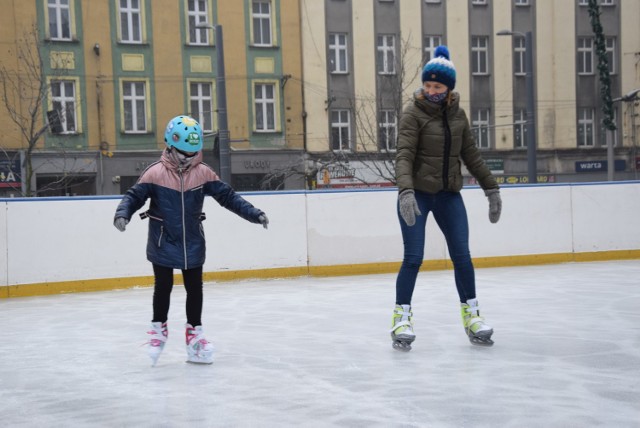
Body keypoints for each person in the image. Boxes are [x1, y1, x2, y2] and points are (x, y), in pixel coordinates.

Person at [114, 115, 269, 366]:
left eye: (193, 152)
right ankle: (158, 330)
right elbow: (134, 197)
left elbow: (228, 197)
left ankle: (194, 335)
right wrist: (123, 214)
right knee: (162, 285)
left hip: (193, 241)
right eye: (184, 153)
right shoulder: (155, 173)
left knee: (194, 288)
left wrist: (254, 213)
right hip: (163, 239)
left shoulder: (203, 173)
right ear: (170, 145)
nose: (189, 158)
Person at [390, 46, 502, 351]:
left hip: (448, 195)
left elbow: (471, 155)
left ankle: (473, 317)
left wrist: (490, 188)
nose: (430, 91)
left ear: (449, 88)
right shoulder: (413, 113)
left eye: (437, 86)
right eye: (427, 85)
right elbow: (403, 155)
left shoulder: (458, 115)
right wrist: (405, 191)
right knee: (413, 258)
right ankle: (401, 318)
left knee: (462, 257)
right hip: (416, 196)